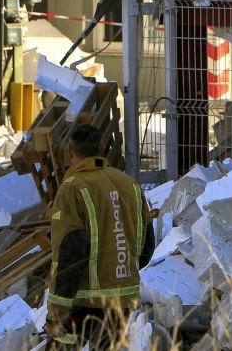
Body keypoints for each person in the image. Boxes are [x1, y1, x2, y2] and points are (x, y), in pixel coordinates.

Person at [45, 123, 155, 350]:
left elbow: (70, 251)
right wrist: (121, 272)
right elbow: (147, 246)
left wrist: (56, 314)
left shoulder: (73, 188)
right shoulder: (130, 185)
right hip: (123, 301)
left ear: (70, 151)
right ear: (102, 149)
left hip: (84, 304)